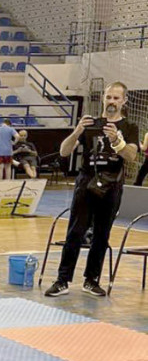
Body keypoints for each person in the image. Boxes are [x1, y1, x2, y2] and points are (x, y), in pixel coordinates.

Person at [45, 81, 139, 298]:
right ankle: (62, 280)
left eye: (116, 98)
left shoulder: (130, 127)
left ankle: (91, 279)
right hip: (86, 182)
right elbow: (64, 151)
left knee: (101, 234)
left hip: (112, 184)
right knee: (75, 232)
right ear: (103, 98)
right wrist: (78, 130)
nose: (112, 101)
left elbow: (132, 156)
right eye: (109, 97)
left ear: (124, 101)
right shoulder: (89, 124)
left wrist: (116, 140)